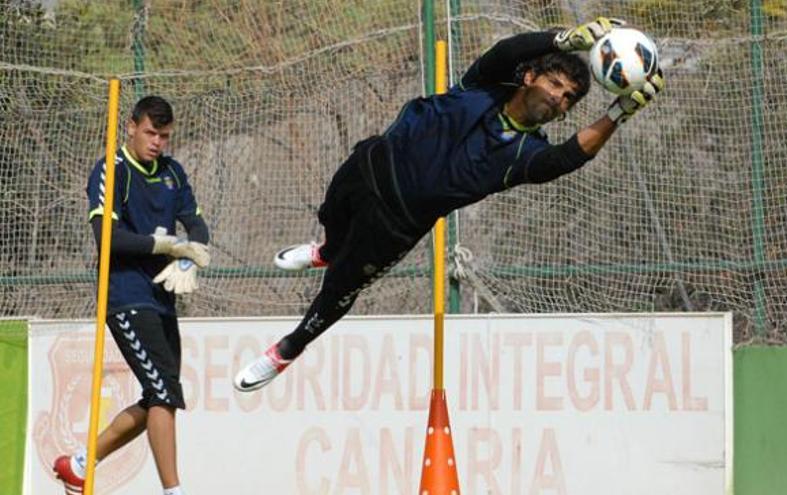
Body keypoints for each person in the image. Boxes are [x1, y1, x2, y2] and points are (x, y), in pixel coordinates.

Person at [234, 18, 663, 392]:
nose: (559, 98)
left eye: (569, 97)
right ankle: (324, 252)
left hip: (396, 225)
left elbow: (566, 158)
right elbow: (506, 51)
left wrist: (618, 113)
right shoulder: (485, 85)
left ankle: (289, 348)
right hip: (370, 164)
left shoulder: (526, 154)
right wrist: (567, 39)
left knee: (339, 292)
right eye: (555, 84)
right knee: (332, 222)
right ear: (530, 77)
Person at [53, 96, 210, 495]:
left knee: (162, 395)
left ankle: (79, 464)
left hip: (162, 298)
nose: (157, 142)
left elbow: (197, 226)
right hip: (125, 296)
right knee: (162, 393)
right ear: (131, 127)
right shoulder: (112, 169)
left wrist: (190, 259)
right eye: (150, 133)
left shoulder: (174, 172)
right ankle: (173, 490)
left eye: (165, 136)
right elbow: (107, 238)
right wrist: (165, 247)